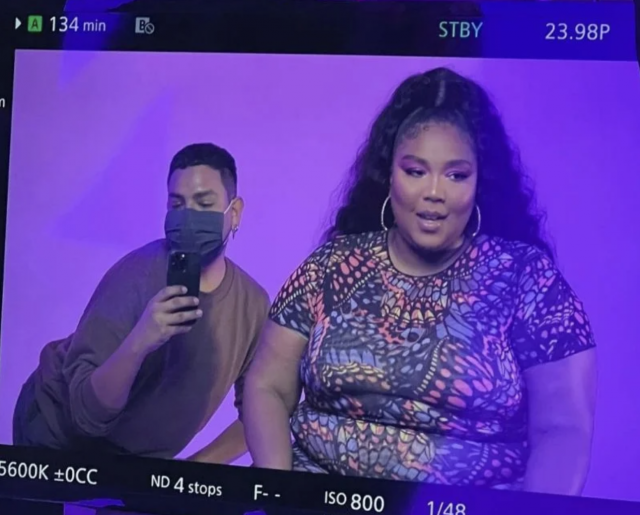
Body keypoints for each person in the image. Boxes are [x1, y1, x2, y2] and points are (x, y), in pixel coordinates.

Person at [243, 68, 597, 494]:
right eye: (415, 171)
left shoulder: (527, 280)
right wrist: (279, 492)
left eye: (456, 175)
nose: (434, 192)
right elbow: (267, 385)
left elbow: (562, 428)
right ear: (389, 175)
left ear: (479, 182)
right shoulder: (331, 266)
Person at [13, 143, 270, 464]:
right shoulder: (137, 274)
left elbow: (263, 411)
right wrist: (140, 341)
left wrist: (194, 470)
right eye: (177, 204)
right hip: (56, 431)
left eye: (204, 204)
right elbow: (86, 413)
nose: (188, 217)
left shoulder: (253, 306)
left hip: (134, 461)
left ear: (234, 212)